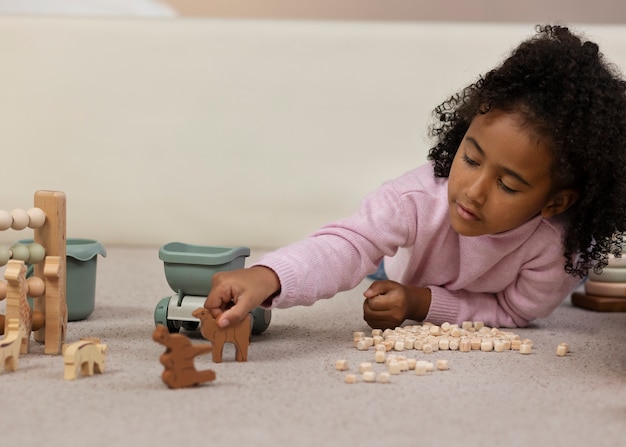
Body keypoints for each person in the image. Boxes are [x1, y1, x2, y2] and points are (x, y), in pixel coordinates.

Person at [204, 25, 626, 330]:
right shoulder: (417, 198)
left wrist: (421, 302)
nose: (473, 192)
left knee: (588, 269)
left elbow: (514, 312)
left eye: (507, 185)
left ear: (554, 203)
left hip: (519, 271)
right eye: (471, 159)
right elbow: (349, 244)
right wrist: (267, 276)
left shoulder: (557, 249)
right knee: (374, 260)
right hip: (402, 259)